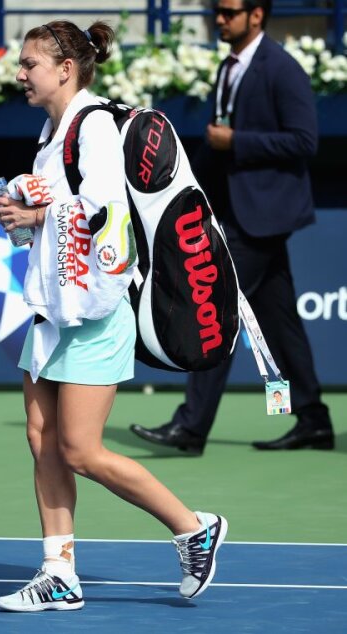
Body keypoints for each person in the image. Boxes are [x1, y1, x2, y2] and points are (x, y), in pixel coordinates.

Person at [0, 20, 228, 613]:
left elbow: (107, 213)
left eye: (30, 64)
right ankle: (58, 571)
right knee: (42, 440)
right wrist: (19, 208)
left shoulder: (94, 125)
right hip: (53, 309)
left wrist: (37, 217)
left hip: (95, 312)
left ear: (65, 68)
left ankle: (193, 527)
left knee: (81, 450)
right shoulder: (52, 132)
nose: (20, 74)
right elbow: (58, 210)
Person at [130, 0, 334, 455]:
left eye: (229, 11)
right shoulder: (231, 66)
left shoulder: (282, 68)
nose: (219, 18)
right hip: (238, 213)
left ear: (256, 15)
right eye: (216, 11)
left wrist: (236, 141)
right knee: (280, 324)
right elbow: (215, 142)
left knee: (209, 309)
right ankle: (314, 419)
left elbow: (305, 140)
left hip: (262, 218)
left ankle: (191, 427)